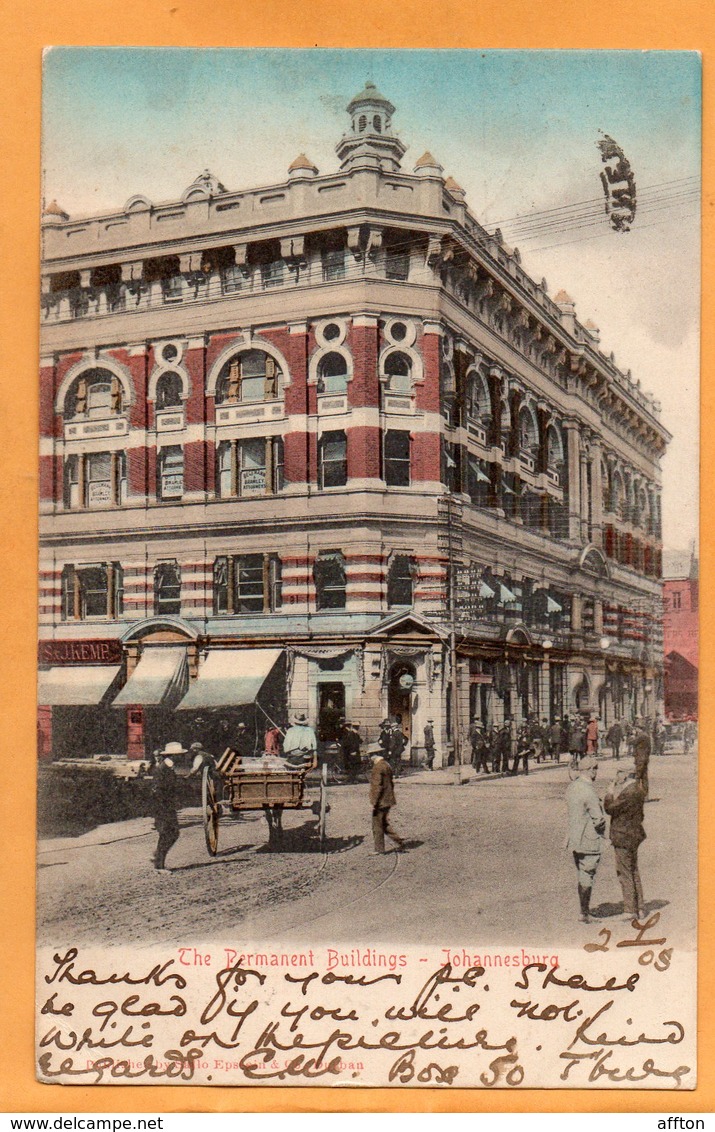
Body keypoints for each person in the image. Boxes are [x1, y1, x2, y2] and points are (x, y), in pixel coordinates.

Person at [565, 755, 606, 923]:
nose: (596, 773)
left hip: (574, 836)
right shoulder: (589, 791)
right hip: (589, 838)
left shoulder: (572, 787)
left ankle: (583, 911)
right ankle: (584, 913)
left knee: (581, 873)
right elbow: (599, 819)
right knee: (587, 874)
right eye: (595, 769)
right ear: (590, 770)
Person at [604, 766, 646, 922]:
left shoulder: (627, 793)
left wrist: (609, 792)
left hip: (623, 836)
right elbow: (640, 816)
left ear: (626, 774)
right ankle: (639, 907)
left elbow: (609, 809)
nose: (616, 776)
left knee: (624, 872)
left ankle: (630, 910)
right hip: (635, 835)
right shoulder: (639, 789)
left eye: (618, 773)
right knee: (634, 870)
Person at [151, 742, 184, 871]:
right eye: (179, 755)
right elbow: (159, 788)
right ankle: (159, 864)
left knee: (171, 833)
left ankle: (158, 858)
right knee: (169, 833)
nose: (181, 758)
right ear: (174, 755)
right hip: (162, 804)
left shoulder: (168, 766)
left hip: (165, 804)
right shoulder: (164, 767)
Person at [369, 750, 405, 855]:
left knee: (377, 823)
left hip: (380, 801)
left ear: (374, 755)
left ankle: (379, 849)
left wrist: (374, 801)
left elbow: (377, 786)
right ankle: (399, 841)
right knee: (383, 823)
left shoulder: (377, 767)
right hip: (388, 799)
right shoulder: (386, 765)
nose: (370, 759)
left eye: (371, 756)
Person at [630, 719, 652, 799]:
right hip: (645, 758)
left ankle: (636, 796)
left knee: (637, 776)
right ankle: (646, 796)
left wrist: (632, 735)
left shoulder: (641, 736)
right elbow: (649, 749)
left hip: (640, 759)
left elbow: (631, 742)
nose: (635, 730)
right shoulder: (646, 735)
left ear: (639, 728)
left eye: (636, 728)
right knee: (644, 777)